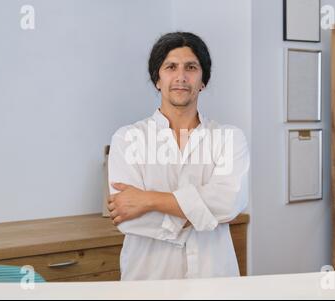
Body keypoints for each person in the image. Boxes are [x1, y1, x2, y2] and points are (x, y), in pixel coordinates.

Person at [107, 32, 250, 281]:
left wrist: (148, 200)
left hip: (213, 281)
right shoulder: (128, 138)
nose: (181, 77)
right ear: (157, 79)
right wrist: (202, 214)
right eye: (171, 67)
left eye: (191, 67)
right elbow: (127, 219)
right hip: (149, 280)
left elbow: (228, 204)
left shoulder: (229, 138)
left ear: (203, 79)